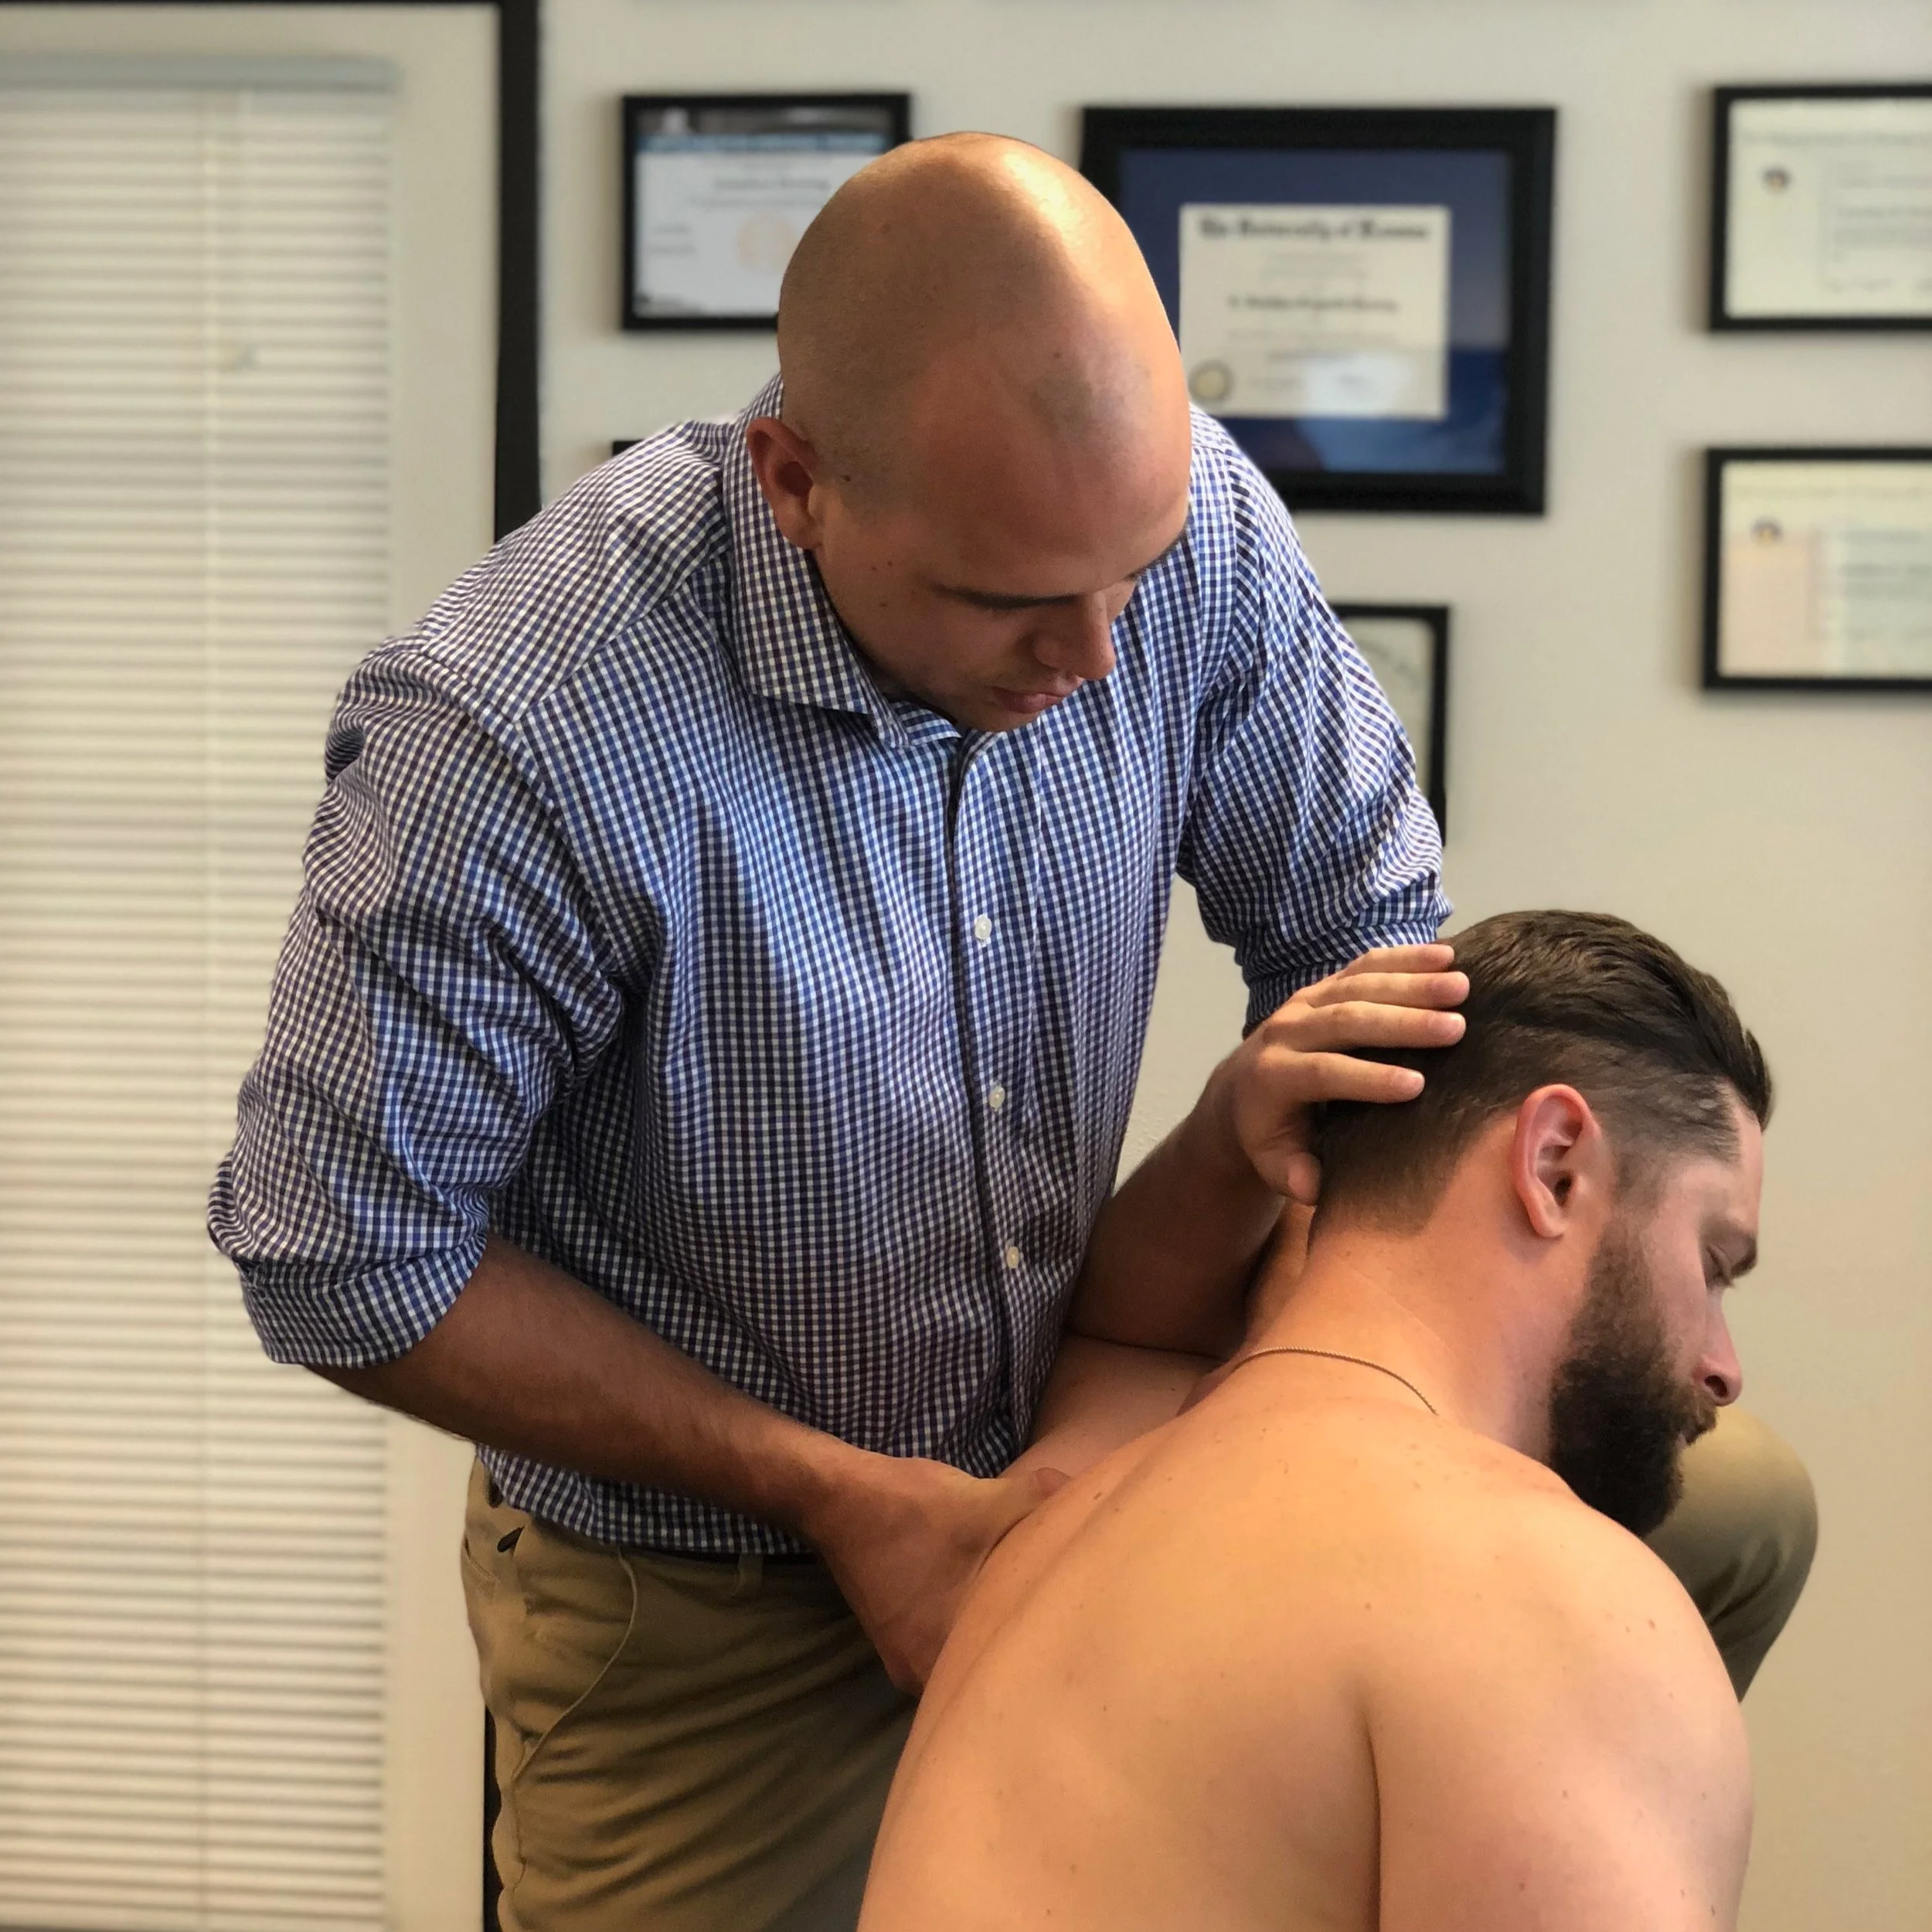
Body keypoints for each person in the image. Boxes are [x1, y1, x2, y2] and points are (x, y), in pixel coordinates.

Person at [202, 128, 1806, 1932]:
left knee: (1728, 1504)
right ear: (795, 482)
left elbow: (1365, 975)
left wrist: (1296, 1414)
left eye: (1133, 568)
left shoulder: (1179, 528)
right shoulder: (517, 730)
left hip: (1119, 1430)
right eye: (1012, 600)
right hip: (722, 1581)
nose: (1100, 655)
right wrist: (839, 1495)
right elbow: (340, 1255)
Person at [860, 910, 1790, 1932]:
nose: (1723, 1366)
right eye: (1712, 1263)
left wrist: (1223, 1133)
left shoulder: (1050, 1529)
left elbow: (1128, 1337)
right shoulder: (1551, 1600)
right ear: (1555, 1164)